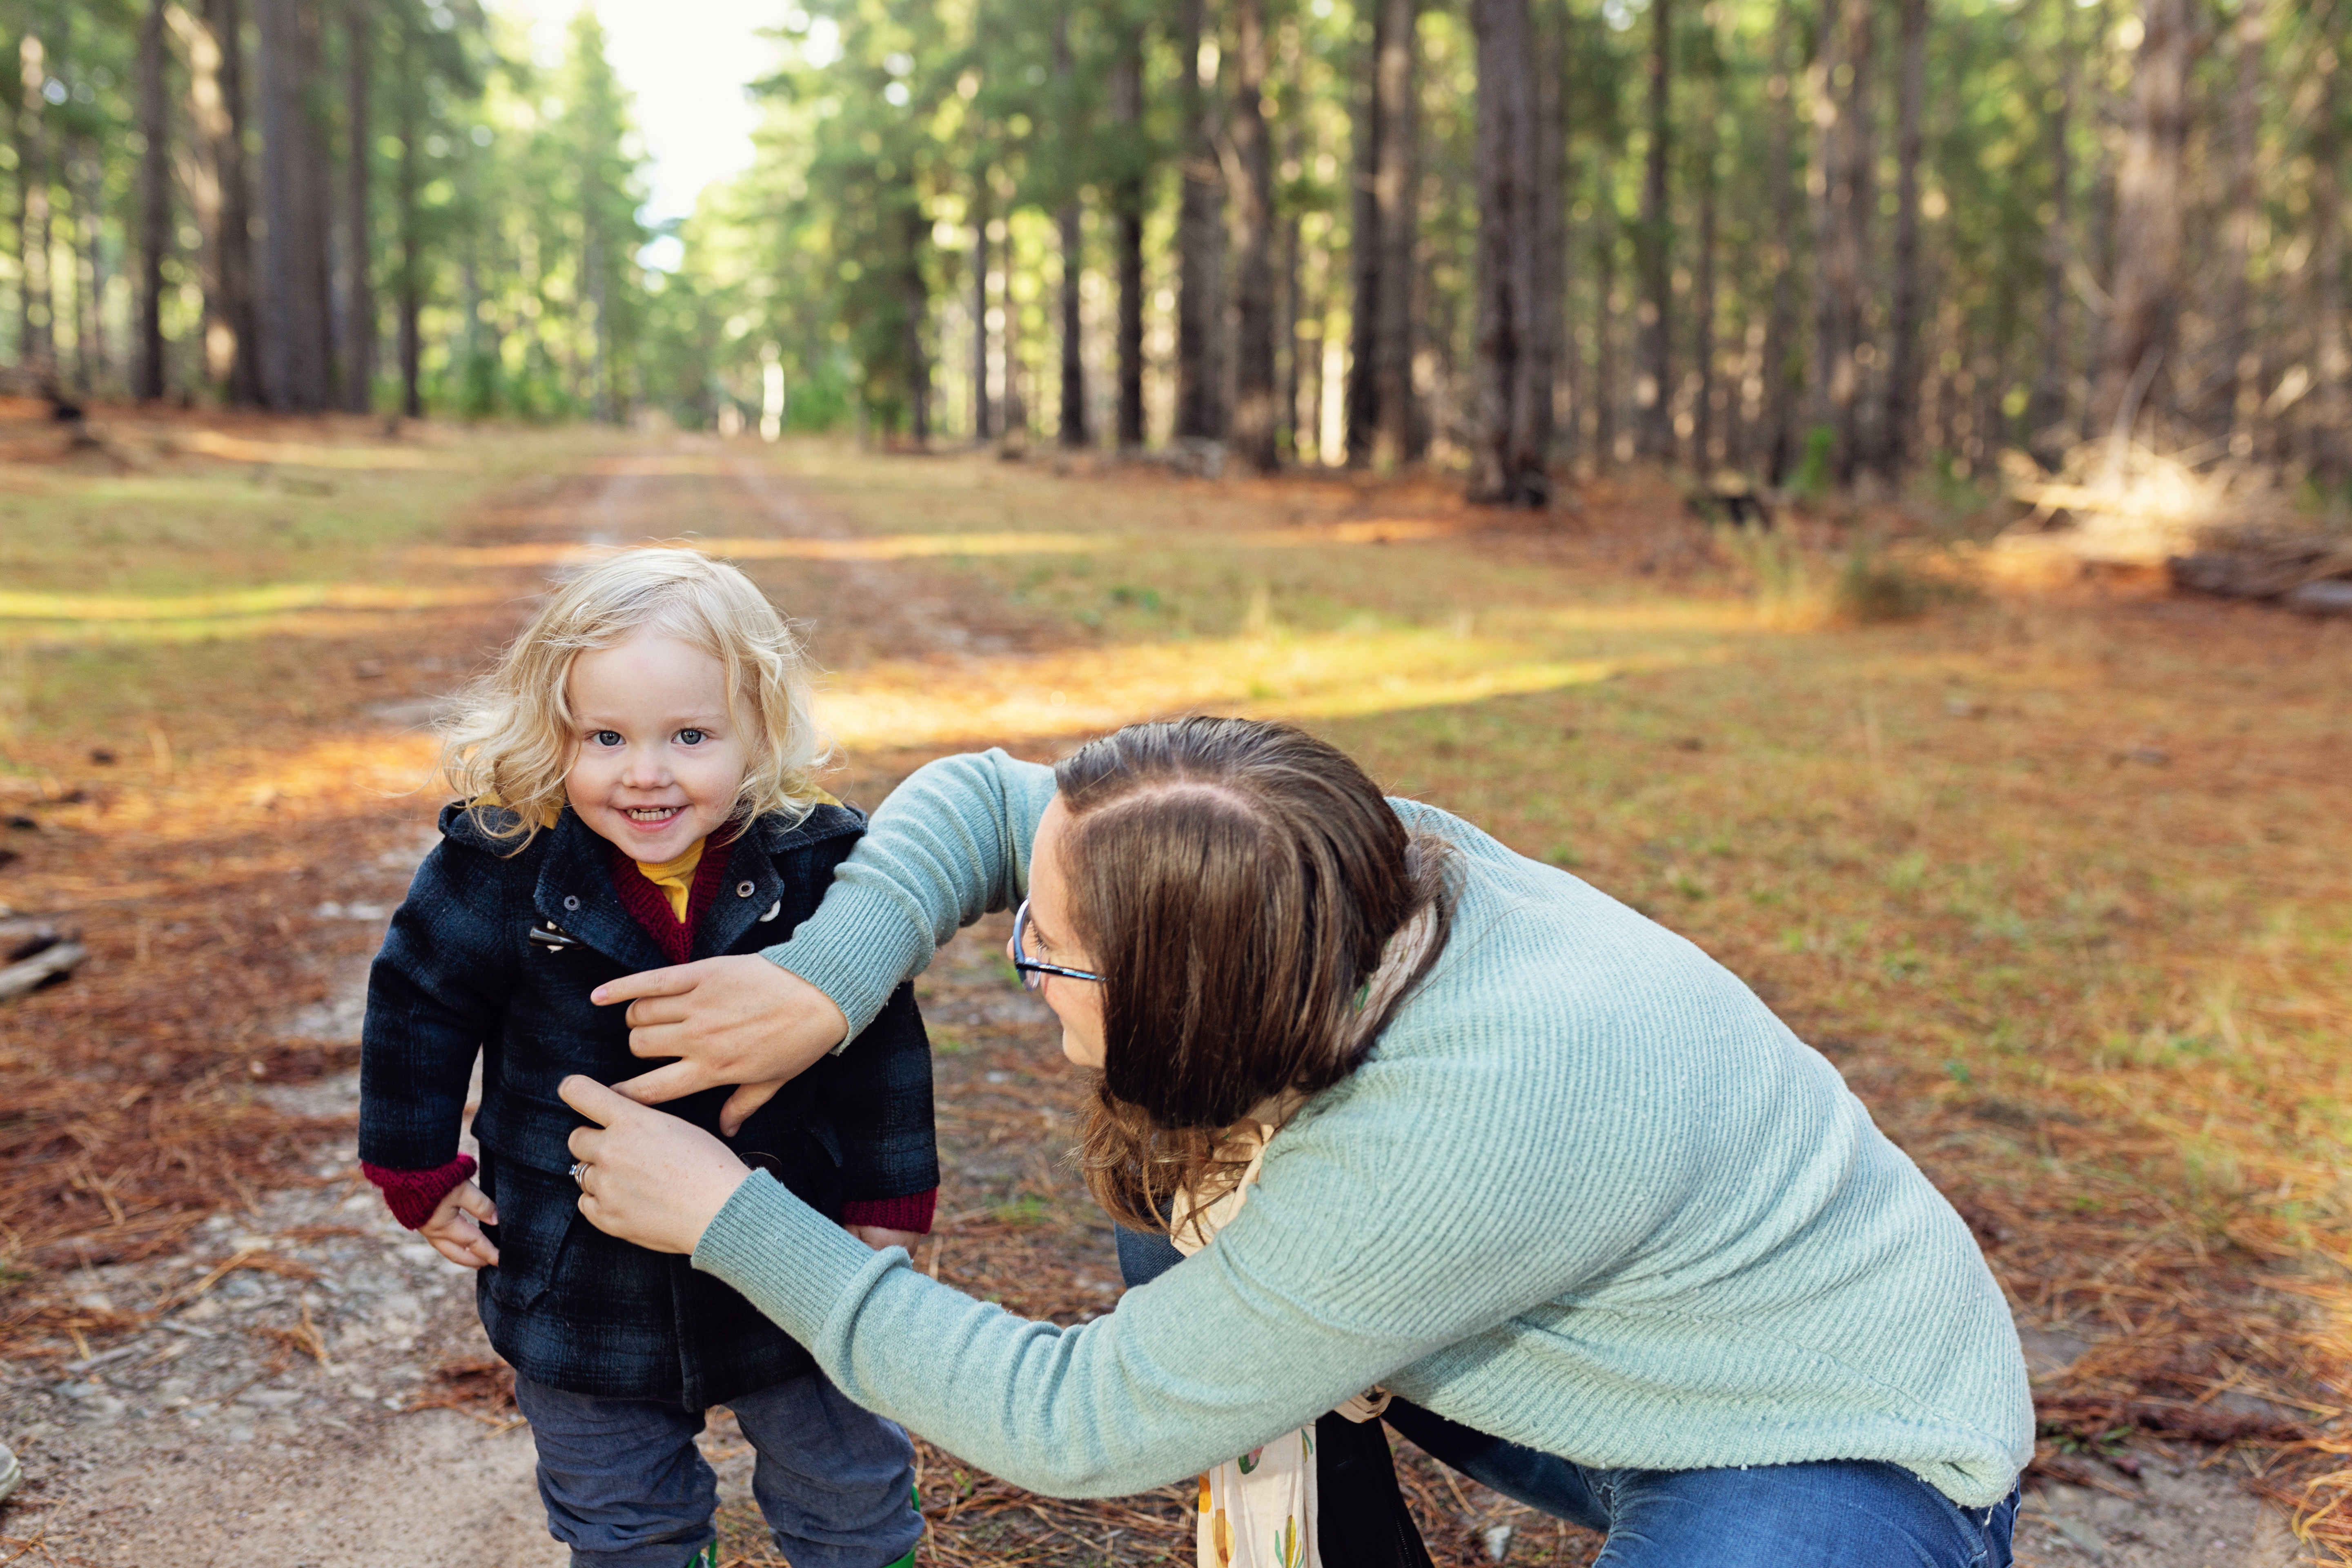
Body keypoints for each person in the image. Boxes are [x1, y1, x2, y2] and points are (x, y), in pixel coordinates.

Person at [562, 717, 2031, 1567]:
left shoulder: (1451, 1133)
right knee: (1188, 1181)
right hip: (1575, 1337)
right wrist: (830, 978)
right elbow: (992, 799)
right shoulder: (1303, 865)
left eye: (1046, 955)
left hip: (1827, 1440)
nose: (1016, 953)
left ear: (1190, 988)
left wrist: (730, 1220)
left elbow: (1081, 1422)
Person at [357, 549, 936, 1568]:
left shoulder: (812, 864)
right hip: (579, 1269)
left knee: (847, 1483)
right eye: (606, 737)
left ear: (757, 732)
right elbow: (417, 1001)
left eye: (691, 735)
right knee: (622, 1513)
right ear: (555, 733)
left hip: (791, 1248)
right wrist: (416, 1167)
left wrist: (889, 1200)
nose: (646, 772)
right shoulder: (502, 865)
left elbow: (878, 1034)